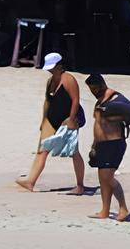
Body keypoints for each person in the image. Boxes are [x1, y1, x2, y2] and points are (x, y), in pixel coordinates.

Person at [15, 52, 89, 194]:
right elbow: (47, 102)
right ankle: (30, 181)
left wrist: (71, 119)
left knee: (74, 153)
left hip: (68, 121)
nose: (50, 70)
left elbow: (75, 100)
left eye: (52, 67)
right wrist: (43, 120)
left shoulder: (69, 79)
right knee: (42, 150)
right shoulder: (50, 82)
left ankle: (80, 186)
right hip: (51, 120)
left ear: (60, 66)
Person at [85, 71, 130, 221]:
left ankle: (123, 208)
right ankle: (105, 210)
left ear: (102, 84)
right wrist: (94, 146)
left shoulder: (115, 98)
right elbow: (98, 124)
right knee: (103, 179)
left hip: (114, 143)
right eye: (91, 90)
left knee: (108, 178)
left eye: (95, 88)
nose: (94, 92)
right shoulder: (99, 101)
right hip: (101, 144)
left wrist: (113, 117)